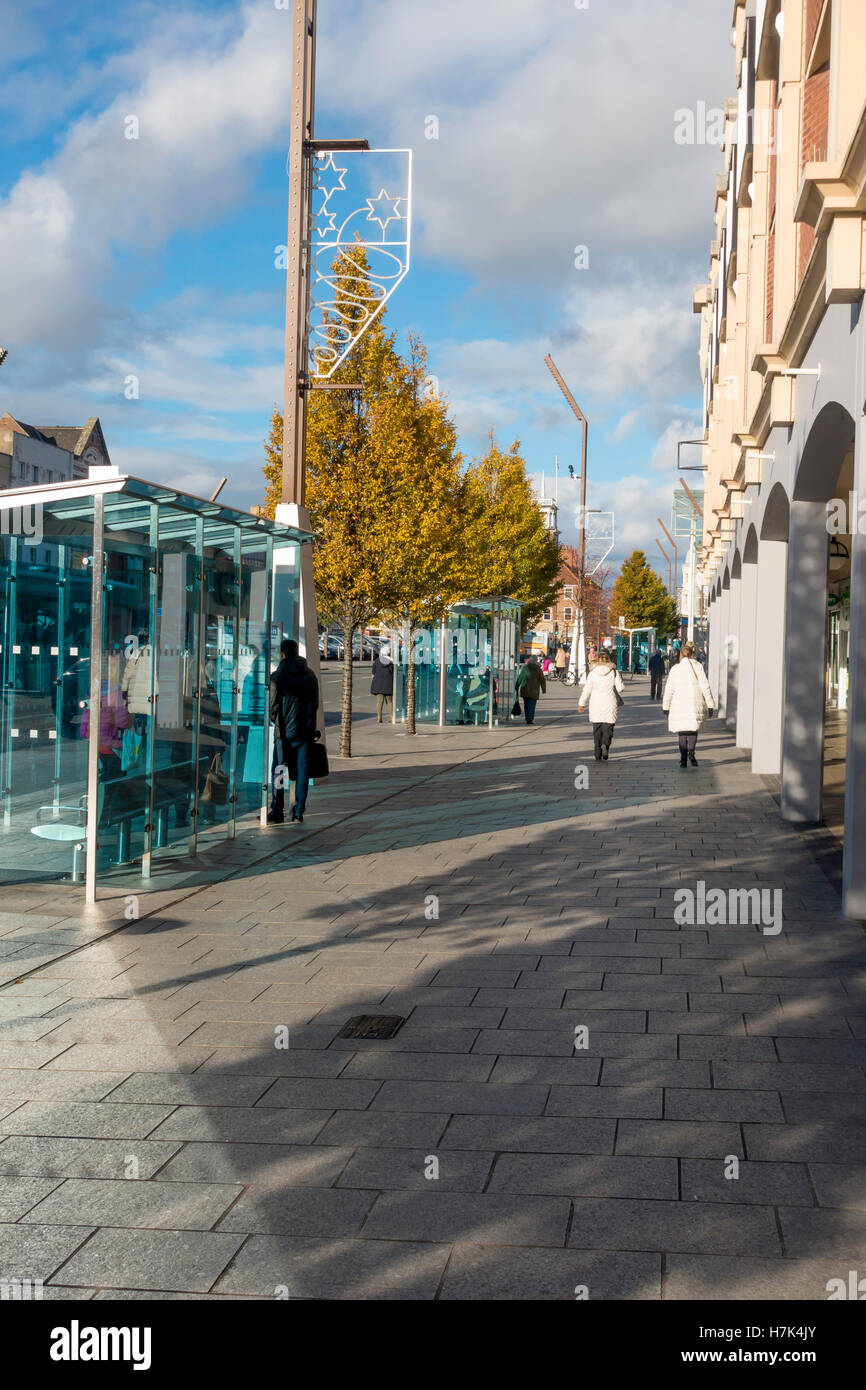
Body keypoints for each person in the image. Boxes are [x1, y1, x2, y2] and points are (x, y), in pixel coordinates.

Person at [268, 638, 319, 823]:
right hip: (305, 732)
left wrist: (280, 723)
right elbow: (316, 704)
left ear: (282, 653)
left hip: (284, 734)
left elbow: (272, 708)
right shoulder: (311, 675)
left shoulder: (277, 677)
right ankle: (298, 811)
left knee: (280, 770)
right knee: (302, 771)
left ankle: (277, 809)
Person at [661, 639, 715, 768]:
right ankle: (691, 752)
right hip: (693, 703)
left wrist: (666, 706)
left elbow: (669, 689)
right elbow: (705, 686)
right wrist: (710, 704)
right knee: (692, 730)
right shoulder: (698, 667)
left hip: (678, 705)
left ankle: (683, 758)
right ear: (692, 654)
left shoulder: (675, 669)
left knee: (682, 732)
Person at [578, 649, 624, 760]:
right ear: (609, 660)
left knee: (597, 728)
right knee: (608, 728)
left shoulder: (592, 674)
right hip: (610, 702)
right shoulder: (614, 672)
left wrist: (581, 704)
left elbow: (586, 690)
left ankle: (597, 752)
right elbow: (620, 688)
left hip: (596, 703)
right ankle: (605, 745)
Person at [515, 655, 546, 725]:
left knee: (526, 705)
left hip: (525, 689)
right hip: (534, 691)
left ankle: (527, 718)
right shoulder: (538, 669)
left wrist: (516, 686)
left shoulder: (525, 668)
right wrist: (543, 689)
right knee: (532, 705)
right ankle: (530, 719)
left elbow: (520, 678)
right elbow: (542, 680)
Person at [370, 643, 394, 723]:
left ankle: (379, 717)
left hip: (378, 684)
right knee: (389, 701)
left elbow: (373, 672)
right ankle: (391, 717)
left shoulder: (377, 661)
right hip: (389, 684)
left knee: (379, 701)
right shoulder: (391, 662)